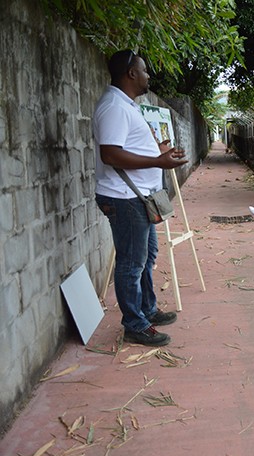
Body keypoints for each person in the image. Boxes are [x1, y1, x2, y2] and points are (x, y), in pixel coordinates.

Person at [93, 50, 187, 346]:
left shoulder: (126, 105)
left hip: (139, 198)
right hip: (125, 199)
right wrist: (159, 163)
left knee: (145, 259)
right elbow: (110, 154)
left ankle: (146, 309)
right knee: (131, 264)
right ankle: (134, 324)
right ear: (131, 73)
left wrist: (160, 154)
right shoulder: (114, 108)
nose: (148, 76)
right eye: (144, 71)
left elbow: (129, 147)